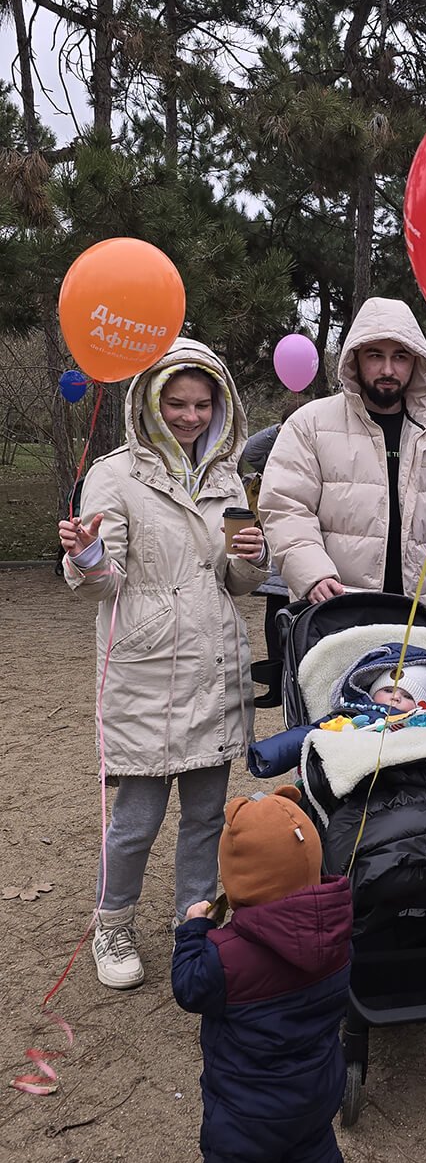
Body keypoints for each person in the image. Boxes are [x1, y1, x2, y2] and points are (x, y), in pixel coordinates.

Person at [58, 340, 269, 989]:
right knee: (136, 822)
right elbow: (101, 586)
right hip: (146, 672)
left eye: (203, 404)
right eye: (176, 402)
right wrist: (88, 556)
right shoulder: (114, 475)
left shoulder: (228, 478)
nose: (189, 416)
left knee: (206, 817)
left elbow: (235, 582)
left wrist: (252, 556)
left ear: (220, 406)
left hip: (214, 665)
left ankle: (192, 923)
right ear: (149, 400)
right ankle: (113, 923)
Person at [172, 785, 352, 1163]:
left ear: (239, 880)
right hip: (317, 1084)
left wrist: (193, 930)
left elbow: (188, 988)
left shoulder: (222, 956)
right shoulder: (337, 934)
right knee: (310, 1147)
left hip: (247, 1105)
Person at [257, 297, 426, 650]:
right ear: (355, 358)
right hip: (335, 619)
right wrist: (313, 574)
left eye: (400, 356)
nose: (388, 369)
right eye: (375, 355)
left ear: (417, 362)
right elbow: (286, 507)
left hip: (422, 622)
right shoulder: (310, 425)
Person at [238, 396, 300, 709]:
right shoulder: (275, 461)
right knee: (276, 622)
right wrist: (280, 429)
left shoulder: (320, 459)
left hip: (310, 555)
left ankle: (299, 683)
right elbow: (249, 451)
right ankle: (277, 684)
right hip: (278, 557)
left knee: (305, 622)